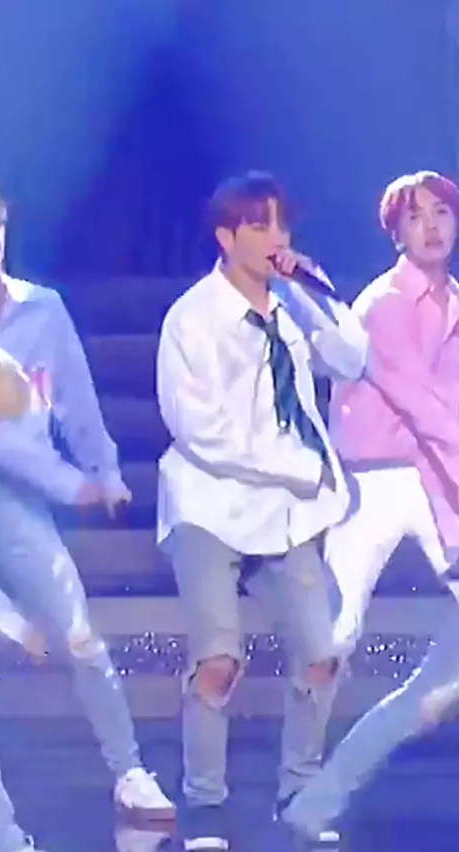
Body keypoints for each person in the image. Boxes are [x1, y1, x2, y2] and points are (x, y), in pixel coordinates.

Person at [156, 170, 369, 851]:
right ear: (227, 237)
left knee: (322, 653)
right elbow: (199, 430)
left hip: (286, 510)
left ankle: (299, 791)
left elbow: (352, 360)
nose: (276, 236)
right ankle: (204, 804)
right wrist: (293, 467)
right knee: (219, 659)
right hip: (209, 503)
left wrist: (313, 289)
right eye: (260, 224)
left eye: (281, 222)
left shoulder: (292, 304)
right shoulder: (191, 318)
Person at [0, 182, 175, 852]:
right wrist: (75, 486)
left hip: (18, 503)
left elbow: (76, 401)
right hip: (9, 480)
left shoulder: (43, 310)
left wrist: (106, 472)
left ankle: (130, 772)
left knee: (79, 633)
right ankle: (0, 834)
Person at [282, 170, 459, 845]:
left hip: (441, 478)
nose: (433, 227)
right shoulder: (380, 305)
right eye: (417, 216)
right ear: (395, 232)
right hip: (377, 480)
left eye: (442, 212)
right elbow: (419, 403)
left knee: (432, 693)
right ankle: (297, 782)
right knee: (333, 635)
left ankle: (313, 802)